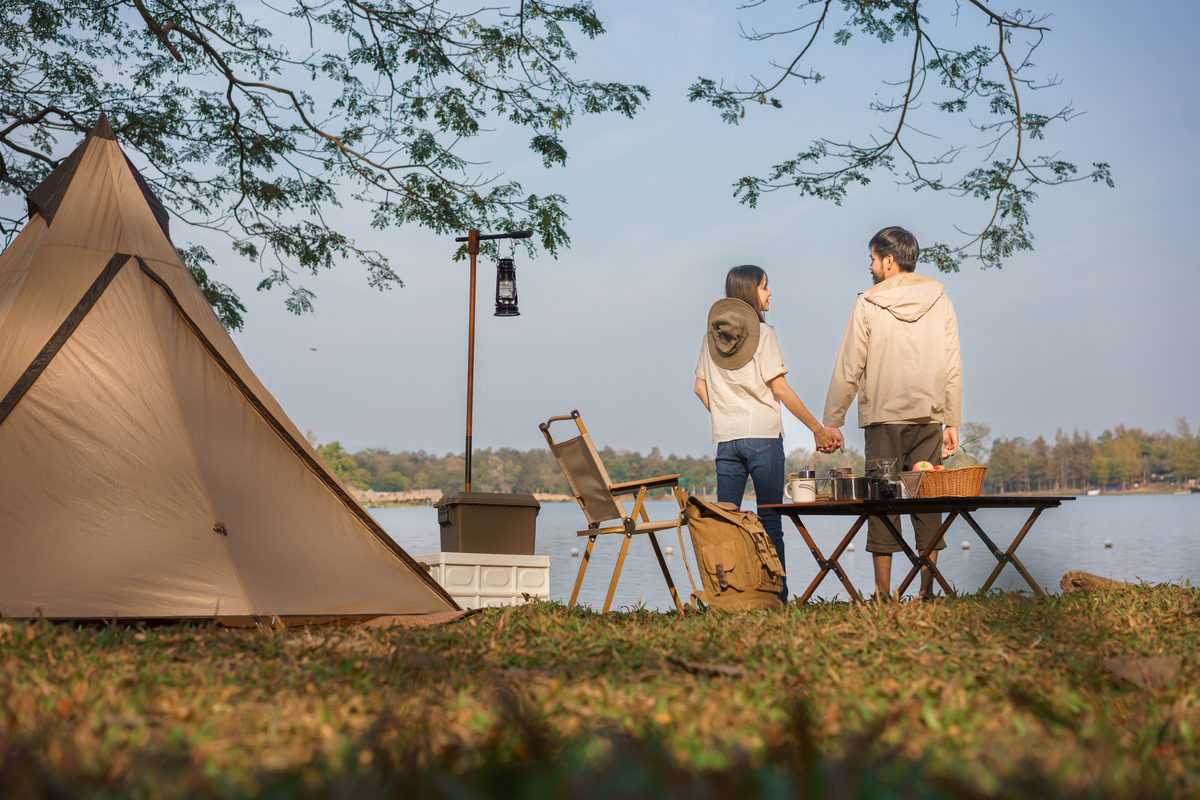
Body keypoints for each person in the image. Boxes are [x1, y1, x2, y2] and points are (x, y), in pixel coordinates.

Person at [822, 226, 961, 600]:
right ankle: (927, 593)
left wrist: (832, 419)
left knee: (884, 505)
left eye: (872, 259)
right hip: (930, 417)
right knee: (927, 503)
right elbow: (952, 366)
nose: (869, 266)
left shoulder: (867, 302)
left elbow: (849, 364)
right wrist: (952, 420)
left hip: (884, 418)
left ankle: (883, 596)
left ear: (888, 260)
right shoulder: (941, 299)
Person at [695, 265, 840, 602]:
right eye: (764, 287)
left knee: (726, 525)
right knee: (770, 520)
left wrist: (727, 416)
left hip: (725, 441)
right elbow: (780, 387)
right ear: (749, 293)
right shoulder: (764, 335)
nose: (769, 292)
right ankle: (777, 599)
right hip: (762, 438)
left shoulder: (710, 339)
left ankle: (725, 598)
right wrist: (817, 429)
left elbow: (700, 389)